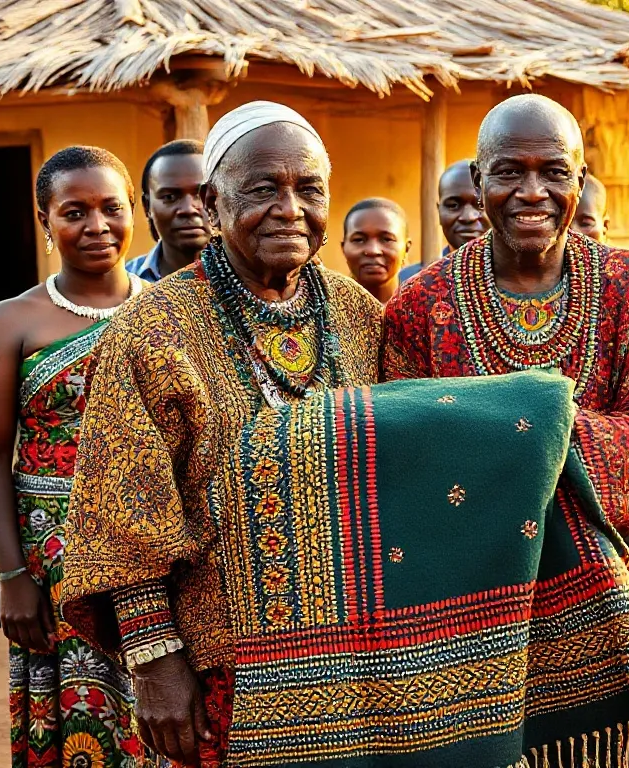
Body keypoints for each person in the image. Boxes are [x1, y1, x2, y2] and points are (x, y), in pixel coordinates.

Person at [381, 94, 629, 765]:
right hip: (472, 603)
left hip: (616, 601)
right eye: (509, 172)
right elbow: (402, 464)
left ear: (581, 179)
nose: (532, 193)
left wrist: (535, 427)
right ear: (478, 182)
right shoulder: (421, 306)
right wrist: (521, 434)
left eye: (554, 173)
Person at [57, 102, 384, 767]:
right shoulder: (153, 327)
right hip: (224, 659)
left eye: (309, 189)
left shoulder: (359, 314)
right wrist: (155, 661)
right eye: (264, 188)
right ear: (212, 200)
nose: (290, 207)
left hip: (358, 647)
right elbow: (124, 511)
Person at [0, 146, 149, 767]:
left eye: (111, 208)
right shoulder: (10, 322)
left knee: (165, 706)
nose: (97, 226)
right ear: (46, 221)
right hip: (53, 562)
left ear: (134, 215)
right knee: (76, 717)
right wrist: (12, 577)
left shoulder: (168, 312)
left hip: (153, 544)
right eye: (75, 211)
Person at [125, 139, 208, 281]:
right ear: (147, 206)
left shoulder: (253, 282)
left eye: (201, 194)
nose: (188, 209)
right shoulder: (126, 284)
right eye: (170, 197)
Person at [396, 159, 488, 282]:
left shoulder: (519, 281)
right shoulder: (409, 281)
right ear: (439, 211)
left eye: (481, 204)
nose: (468, 217)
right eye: (453, 205)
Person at [340, 197, 410, 303]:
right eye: (359, 240)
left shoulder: (423, 311)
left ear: (406, 249)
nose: (373, 250)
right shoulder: (324, 311)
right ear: (343, 248)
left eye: (387, 239)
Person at [570, 174, 609, 242]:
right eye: (562, 225)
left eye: (585, 223)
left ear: (605, 225)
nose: (573, 232)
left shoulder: (619, 253)